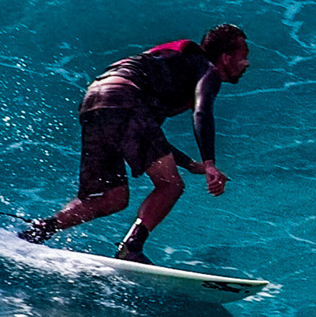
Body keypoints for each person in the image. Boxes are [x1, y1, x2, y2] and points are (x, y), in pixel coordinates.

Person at [19, 23, 249, 264]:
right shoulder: (207, 70)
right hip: (124, 99)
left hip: (96, 98)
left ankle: (39, 230)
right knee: (170, 185)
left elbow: (146, 131)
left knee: (113, 197)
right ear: (226, 57)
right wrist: (210, 164)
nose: (247, 64)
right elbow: (202, 112)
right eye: (244, 57)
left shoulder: (175, 70)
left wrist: (190, 164)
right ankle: (131, 247)